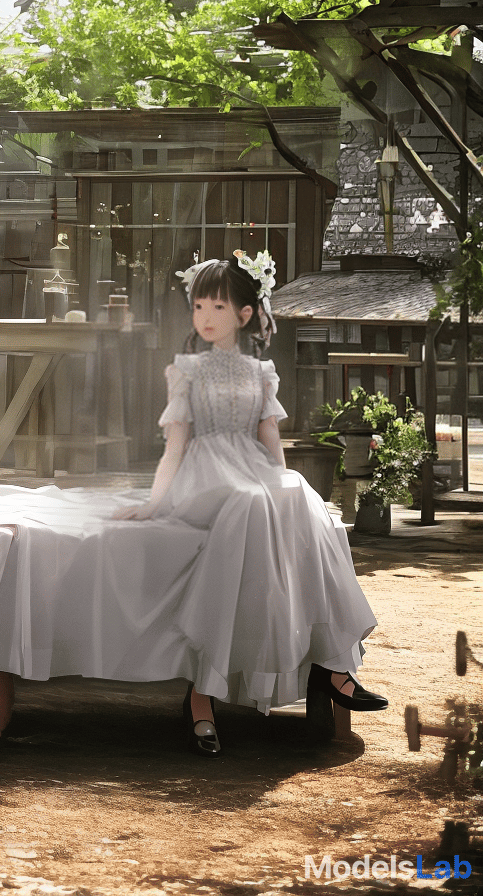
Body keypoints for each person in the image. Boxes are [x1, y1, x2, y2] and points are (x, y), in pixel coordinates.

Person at [115, 250, 386, 757]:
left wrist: (287, 484)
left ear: (243, 314)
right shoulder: (187, 370)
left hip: (249, 468)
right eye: (198, 307)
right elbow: (176, 444)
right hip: (205, 472)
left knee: (296, 495)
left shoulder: (260, 371)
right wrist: (155, 503)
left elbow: (270, 442)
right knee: (249, 505)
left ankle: (332, 666)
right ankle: (202, 694)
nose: (206, 318)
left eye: (217, 307)